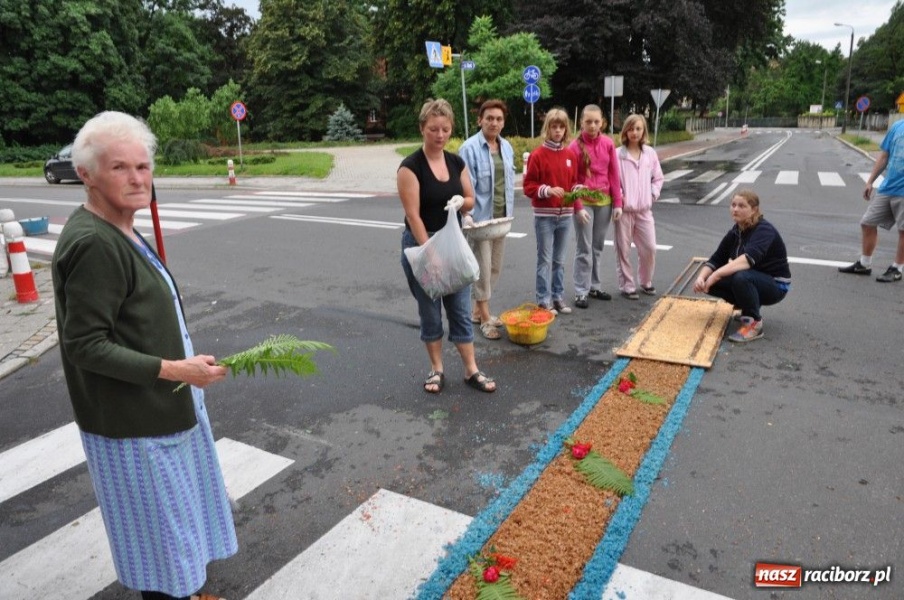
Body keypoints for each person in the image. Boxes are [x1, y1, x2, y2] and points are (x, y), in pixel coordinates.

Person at [51, 111, 235, 600]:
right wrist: (176, 369)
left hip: (158, 414)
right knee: (162, 552)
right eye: (119, 167)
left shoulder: (119, 225)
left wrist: (183, 362)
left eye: (143, 166)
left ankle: (187, 593)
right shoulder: (94, 242)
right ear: (86, 174)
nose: (137, 178)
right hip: (136, 427)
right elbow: (84, 344)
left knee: (174, 539)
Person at [398, 99, 496, 394]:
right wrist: (431, 254)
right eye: (433, 129)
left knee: (460, 309)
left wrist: (461, 201)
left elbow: (470, 199)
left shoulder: (456, 162)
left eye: (445, 129)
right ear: (422, 128)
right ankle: (437, 369)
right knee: (430, 311)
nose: (440, 135)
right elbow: (413, 216)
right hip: (423, 243)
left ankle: (471, 369)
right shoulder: (410, 167)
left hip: (453, 243)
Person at [693, 190, 791, 343]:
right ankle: (747, 307)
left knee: (741, 277)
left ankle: (754, 324)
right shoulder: (736, 231)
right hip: (756, 278)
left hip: (776, 285)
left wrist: (715, 275)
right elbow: (716, 258)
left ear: (754, 210)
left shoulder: (764, 230)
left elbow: (747, 261)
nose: (735, 209)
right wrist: (701, 277)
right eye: (733, 205)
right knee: (710, 281)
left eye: (741, 206)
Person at [458, 99, 516, 339]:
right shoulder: (469, 148)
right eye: (489, 118)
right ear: (480, 120)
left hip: (501, 218)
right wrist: (467, 216)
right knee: (481, 270)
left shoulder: (507, 147)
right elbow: (465, 186)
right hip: (480, 220)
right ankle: (485, 318)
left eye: (499, 119)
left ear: (503, 122)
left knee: (494, 267)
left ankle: (476, 311)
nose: (494, 123)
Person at [523, 107, 581, 314]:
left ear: (566, 130)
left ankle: (557, 296)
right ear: (547, 129)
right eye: (554, 127)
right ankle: (543, 300)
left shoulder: (570, 155)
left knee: (560, 260)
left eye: (561, 127)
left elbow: (573, 182)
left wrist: (577, 189)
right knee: (545, 260)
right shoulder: (537, 155)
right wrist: (547, 190)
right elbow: (528, 186)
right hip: (545, 216)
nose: (558, 131)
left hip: (565, 215)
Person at [569, 104, 623, 308]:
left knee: (597, 248)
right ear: (581, 122)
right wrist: (577, 206)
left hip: (605, 203)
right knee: (584, 249)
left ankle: (594, 286)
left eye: (596, 122)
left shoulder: (608, 144)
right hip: (584, 203)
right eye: (588, 121)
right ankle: (580, 291)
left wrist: (617, 203)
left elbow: (614, 175)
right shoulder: (574, 148)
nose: (592, 125)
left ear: (602, 123)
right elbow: (571, 180)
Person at [838, 119, 904, 282]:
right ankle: (864, 264)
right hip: (888, 186)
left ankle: (897, 268)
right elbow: (884, 156)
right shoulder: (897, 126)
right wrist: (870, 181)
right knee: (867, 222)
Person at [614, 114, 664, 300]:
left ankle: (645, 281)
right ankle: (627, 285)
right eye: (631, 129)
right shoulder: (618, 154)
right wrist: (620, 197)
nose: (634, 132)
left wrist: (653, 194)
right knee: (623, 250)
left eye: (638, 129)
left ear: (644, 131)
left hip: (644, 210)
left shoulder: (650, 153)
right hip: (624, 211)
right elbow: (613, 181)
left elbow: (658, 177)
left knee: (649, 248)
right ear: (625, 131)